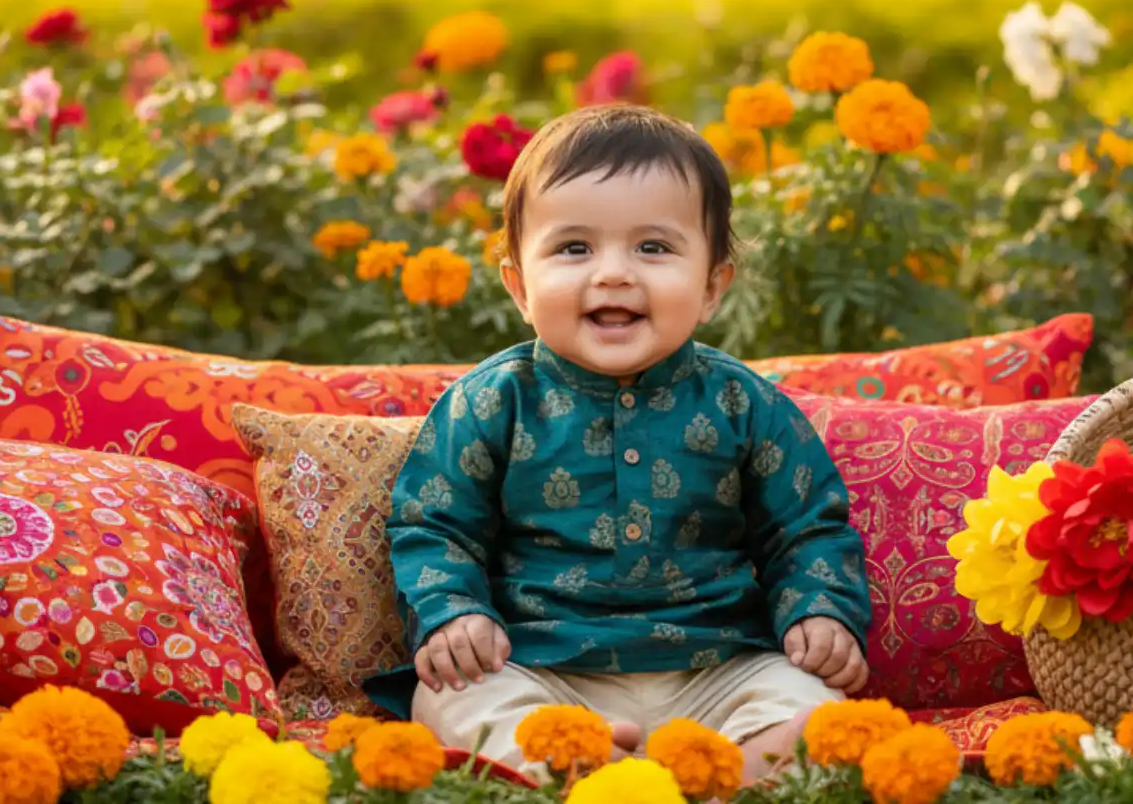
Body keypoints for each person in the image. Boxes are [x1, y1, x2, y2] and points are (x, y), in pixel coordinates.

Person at [371, 103, 872, 778]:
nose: (613, 273)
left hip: (720, 670)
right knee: (445, 697)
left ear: (712, 287)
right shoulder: (494, 400)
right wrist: (452, 611)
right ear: (519, 285)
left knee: (818, 704)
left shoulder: (741, 402)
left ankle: (716, 771)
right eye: (574, 247)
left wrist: (819, 610)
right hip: (542, 671)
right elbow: (434, 524)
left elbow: (807, 526)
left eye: (654, 247)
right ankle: (597, 764)